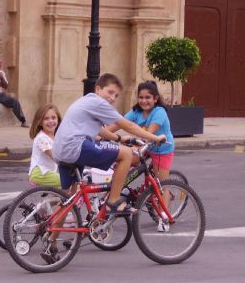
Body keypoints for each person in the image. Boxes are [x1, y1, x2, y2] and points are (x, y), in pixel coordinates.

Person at [52, 73, 166, 217]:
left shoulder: (86, 101)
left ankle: (51, 234)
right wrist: (155, 138)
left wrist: (119, 138)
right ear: (98, 89)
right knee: (126, 154)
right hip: (75, 147)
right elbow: (129, 125)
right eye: (110, 92)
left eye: (116, 96)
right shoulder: (98, 103)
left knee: (68, 200)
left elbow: (98, 129)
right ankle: (113, 202)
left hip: (61, 151)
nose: (112, 98)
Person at [108, 80, 175, 232]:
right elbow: (119, 124)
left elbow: (149, 134)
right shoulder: (136, 112)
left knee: (160, 184)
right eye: (141, 97)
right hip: (144, 146)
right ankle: (117, 193)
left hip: (161, 148)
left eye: (148, 98)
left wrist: (135, 145)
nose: (144, 101)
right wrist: (102, 134)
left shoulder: (159, 112)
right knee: (122, 160)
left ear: (155, 98)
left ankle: (164, 216)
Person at [0, 56, 28, 128]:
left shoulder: (2, 72)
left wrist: (2, 78)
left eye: (1, 63)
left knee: (14, 100)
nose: (0, 64)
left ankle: (23, 121)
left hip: (2, 94)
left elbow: (6, 86)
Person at [28, 104, 62, 188]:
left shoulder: (56, 137)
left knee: (64, 195)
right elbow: (54, 156)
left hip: (48, 173)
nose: (50, 121)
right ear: (39, 122)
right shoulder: (41, 138)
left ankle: (52, 201)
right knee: (69, 181)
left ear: (58, 119)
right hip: (40, 174)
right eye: (46, 119)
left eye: (53, 118)